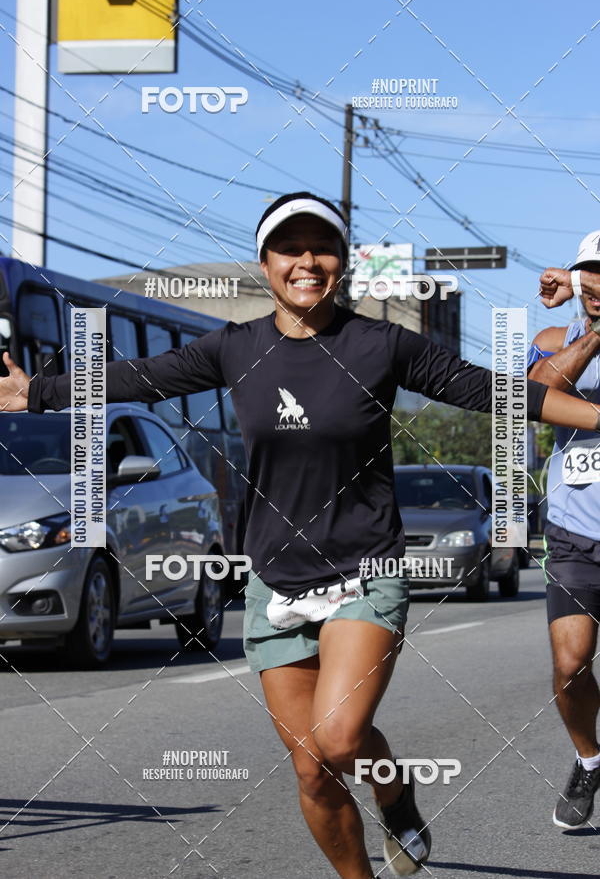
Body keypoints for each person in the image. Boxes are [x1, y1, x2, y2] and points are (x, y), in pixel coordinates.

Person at [2, 193, 600, 878]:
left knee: (340, 736)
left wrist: (592, 413)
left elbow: (495, 391)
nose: (307, 261)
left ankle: (394, 791)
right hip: (274, 582)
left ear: (341, 264)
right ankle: (373, 845)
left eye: (323, 248)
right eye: (291, 248)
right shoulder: (236, 347)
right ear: (265, 264)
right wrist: (37, 393)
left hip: (364, 573)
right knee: (315, 770)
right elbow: (141, 378)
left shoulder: (380, 344)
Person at [528, 230, 600, 830]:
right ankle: (588, 758)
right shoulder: (554, 339)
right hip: (576, 537)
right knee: (570, 663)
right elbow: (540, 391)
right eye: (590, 272)